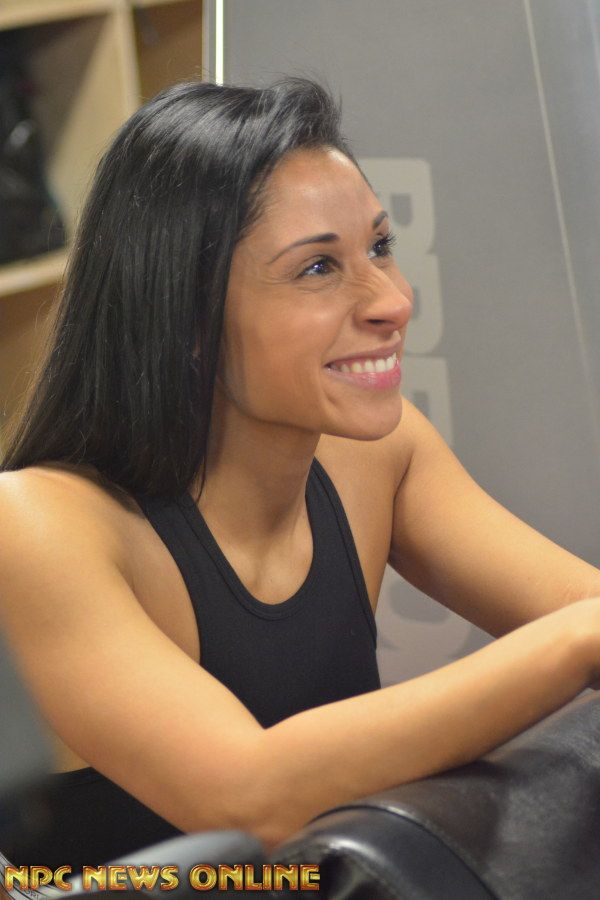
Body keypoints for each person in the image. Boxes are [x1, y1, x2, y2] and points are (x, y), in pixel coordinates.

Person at [1, 76, 600, 872]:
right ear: (183, 315)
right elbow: (251, 796)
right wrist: (577, 640)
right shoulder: (37, 526)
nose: (392, 301)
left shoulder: (378, 456)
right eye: (318, 268)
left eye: (379, 247)